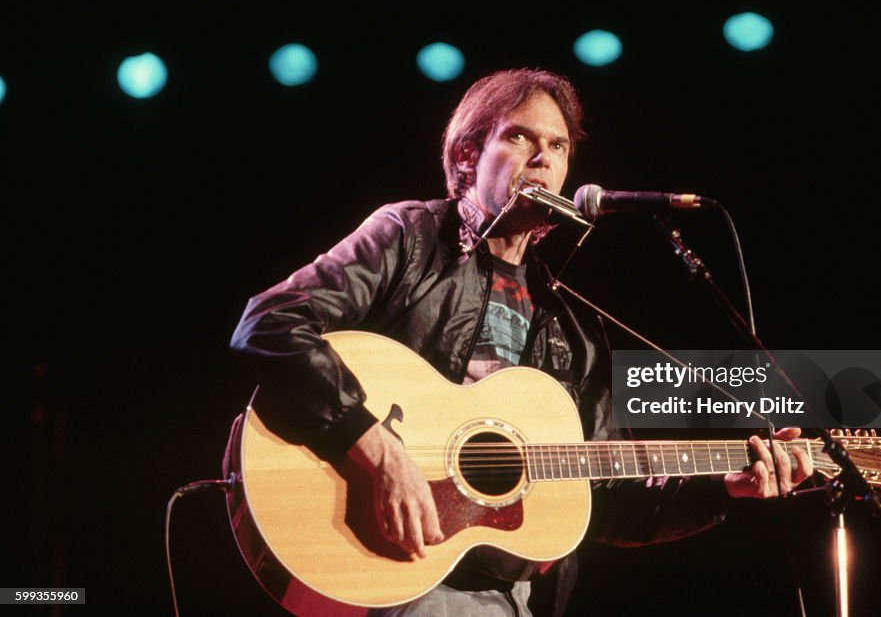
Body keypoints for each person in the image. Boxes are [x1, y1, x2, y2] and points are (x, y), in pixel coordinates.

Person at [228, 67, 812, 616]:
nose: (543, 159)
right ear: (466, 155)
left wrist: (725, 490)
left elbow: (601, 498)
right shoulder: (411, 238)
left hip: (506, 596)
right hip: (389, 565)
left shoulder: (573, 323)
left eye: (558, 147)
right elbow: (271, 323)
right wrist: (375, 447)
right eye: (520, 138)